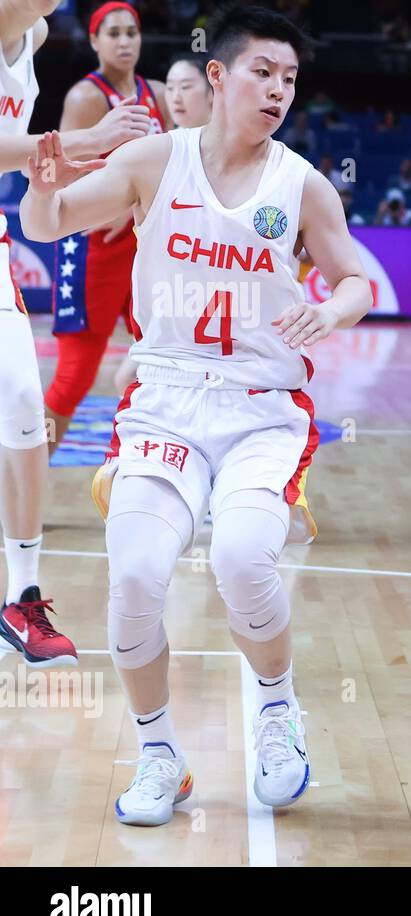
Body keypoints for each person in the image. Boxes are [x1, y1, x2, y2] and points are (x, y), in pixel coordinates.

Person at [19, 4, 371, 825]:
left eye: (290, 78)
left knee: (244, 560)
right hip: (166, 405)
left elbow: (355, 277)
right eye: (263, 72)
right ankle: (158, 755)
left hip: (260, 408)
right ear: (218, 77)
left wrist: (334, 311)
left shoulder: (302, 184)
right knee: (136, 576)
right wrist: (41, 184)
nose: (279, 89)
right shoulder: (153, 160)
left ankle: (278, 710)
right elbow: (51, 222)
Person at [0, 0, 151, 668]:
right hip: (82, 251)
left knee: (27, 406)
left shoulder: (30, 34)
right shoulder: (85, 92)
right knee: (66, 377)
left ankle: (21, 597)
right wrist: (84, 144)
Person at [44, 1, 169, 452]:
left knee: (167, 361)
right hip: (92, 247)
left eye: (131, 32)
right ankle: (19, 490)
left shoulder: (157, 92)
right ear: (94, 41)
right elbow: (60, 177)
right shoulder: (85, 97)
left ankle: (151, 470)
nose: (124, 41)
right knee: (73, 378)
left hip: (146, 246)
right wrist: (115, 204)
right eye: (113, 33)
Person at [113, 52, 214, 397]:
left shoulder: (232, 152)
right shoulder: (157, 152)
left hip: (216, 299)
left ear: (214, 89)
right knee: (127, 379)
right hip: (164, 297)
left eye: (186, 86)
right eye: (170, 88)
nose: (176, 96)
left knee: (130, 378)